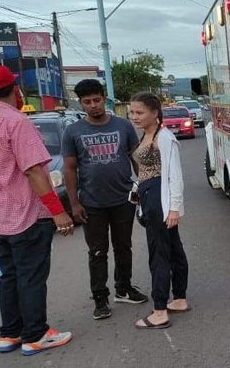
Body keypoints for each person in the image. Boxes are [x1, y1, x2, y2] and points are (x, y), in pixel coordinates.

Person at [0, 65, 73, 355]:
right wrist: (58, 212)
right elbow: (34, 171)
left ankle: (10, 333)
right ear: (15, 89)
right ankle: (35, 334)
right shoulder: (16, 121)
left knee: (9, 275)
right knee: (31, 276)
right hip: (26, 216)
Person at [62, 79, 148, 321]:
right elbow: (69, 169)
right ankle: (100, 299)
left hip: (123, 199)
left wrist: (145, 187)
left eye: (97, 100)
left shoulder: (123, 126)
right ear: (81, 103)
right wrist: (74, 204)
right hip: (92, 204)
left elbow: (136, 159)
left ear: (104, 99)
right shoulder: (73, 131)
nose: (93, 105)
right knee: (98, 252)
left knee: (123, 247)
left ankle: (124, 288)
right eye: (87, 102)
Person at [129, 92, 190, 330]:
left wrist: (174, 208)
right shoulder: (146, 134)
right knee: (173, 248)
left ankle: (159, 311)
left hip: (159, 199)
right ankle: (180, 298)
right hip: (150, 195)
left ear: (155, 113)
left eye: (140, 112)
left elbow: (175, 175)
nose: (135, 116)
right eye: (132, 112)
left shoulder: (164, 137)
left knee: (159, 254)